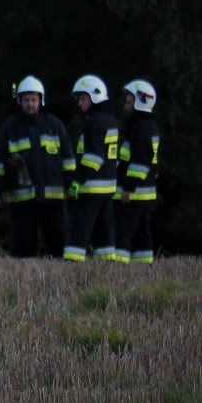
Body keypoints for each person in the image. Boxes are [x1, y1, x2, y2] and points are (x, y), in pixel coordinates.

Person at [0, 75, 71, 257]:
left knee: (59, 241)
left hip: (53, 198)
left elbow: (68, 160)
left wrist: (71, 187)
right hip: (21, 199)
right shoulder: (9, 128)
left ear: (41, 100)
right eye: (26, 100)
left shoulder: (54, 125)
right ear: (19, 101)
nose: (30, 104)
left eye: (34, 99)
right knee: (22, 246)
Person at [63, 74, 121, 262]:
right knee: (104, 231)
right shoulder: (110, 120)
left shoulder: (92, 122)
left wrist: (76, 183)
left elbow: (93, 158)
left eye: (83, 98)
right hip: (108, 188)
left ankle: (72, 262)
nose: (79, 103)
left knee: (80, 227)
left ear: (95, 96)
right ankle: (108, 265)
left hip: (91, 186)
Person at [112, 79, 161, 263]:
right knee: (142, 233)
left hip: (133, 193)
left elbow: (140, 163)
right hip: (144, 192)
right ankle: (144, 265)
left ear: (140, 102)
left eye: (129, 101)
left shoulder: (140, 129)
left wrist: (128, 188)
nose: (125, 106)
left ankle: (117, 265)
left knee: (123, 230)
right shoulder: (148, 127)